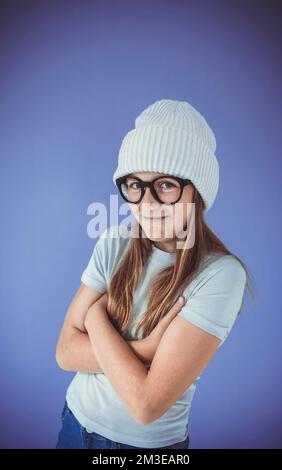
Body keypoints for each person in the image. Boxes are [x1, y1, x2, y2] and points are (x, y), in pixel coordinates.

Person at [55, 99, 252, 449]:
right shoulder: (115, 242)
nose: (146, 204)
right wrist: (144, 350)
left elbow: (146, 405)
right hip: (74, 423)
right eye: (135, 184)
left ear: (197, 193)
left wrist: (95, 316)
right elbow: (65, 352)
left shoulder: (221, 275)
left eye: (164, 185)